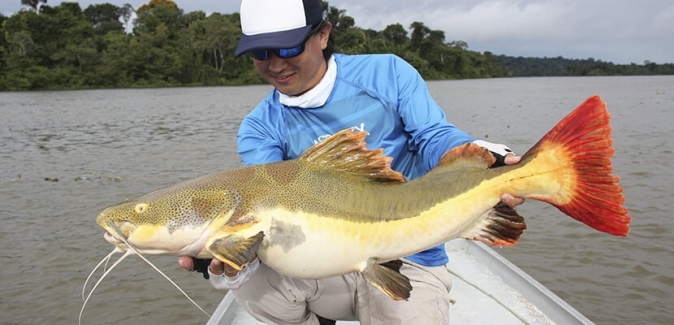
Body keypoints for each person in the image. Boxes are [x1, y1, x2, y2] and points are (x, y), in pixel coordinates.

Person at [179, 0, 523, 324]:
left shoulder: (387, 74)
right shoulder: (259, 127)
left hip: (411, 257)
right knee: (251, 283)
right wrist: (224, 250)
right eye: (259, 52)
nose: (275, 64)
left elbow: (432, 136)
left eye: (287, 48)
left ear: (323, 34)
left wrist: (471, 154)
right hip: (322, 266)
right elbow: (264, 201)